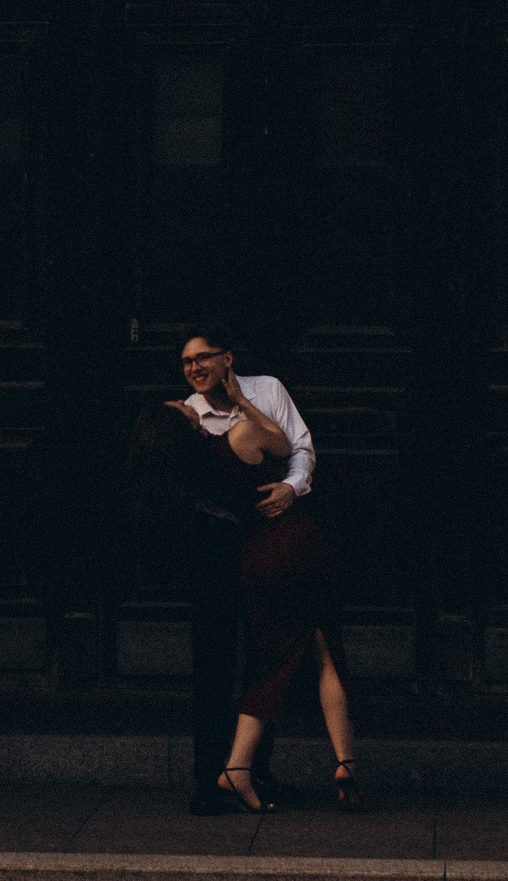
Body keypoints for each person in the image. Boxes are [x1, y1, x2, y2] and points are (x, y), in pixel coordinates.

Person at [151, 330, 361, 813]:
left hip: (266, 541)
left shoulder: (267, 389)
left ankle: (254, 770)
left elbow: (300, 447)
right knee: (218, 660)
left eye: (203, 357)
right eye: (186, 361)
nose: (194, 367)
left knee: (265, 655)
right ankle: (213, 776)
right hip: (222, 549)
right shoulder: (185, 416)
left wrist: (292, 486)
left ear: (227, 358)